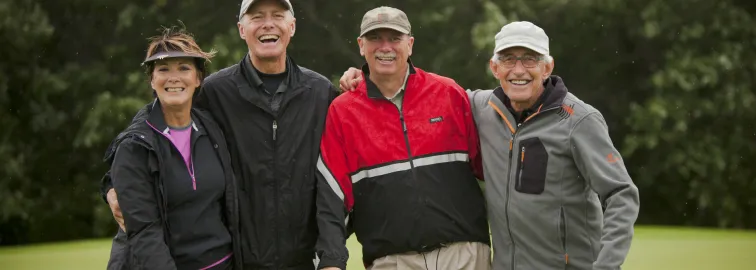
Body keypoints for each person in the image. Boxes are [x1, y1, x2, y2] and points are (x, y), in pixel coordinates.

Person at [339, 21, 640, 270]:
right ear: (495, 68)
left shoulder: (579, 120)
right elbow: (423, 91)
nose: (518, 70)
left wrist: (607, 265)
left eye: (530, 59)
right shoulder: (479, 106)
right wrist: (370, 76)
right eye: (509, 59)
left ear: (547, 68)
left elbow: (621, 195)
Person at [101, 0, 345, 269]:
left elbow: (341, 166)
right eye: (256, 17)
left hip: (302, 261)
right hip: (242, 261)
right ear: (242, 29)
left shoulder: (321, 93)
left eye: (277, 15)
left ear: (292, 26)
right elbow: (155, 122)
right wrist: (113, 183)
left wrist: (360, 78)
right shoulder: (215, 93)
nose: (268, 23)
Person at [316, 6, 491, 270]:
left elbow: (494, 169)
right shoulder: (343, 112)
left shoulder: (448, 93)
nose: (385, 46)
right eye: (375, 38)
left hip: (464, 255)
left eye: (395, 38)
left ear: (410, 45)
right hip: (392, 261)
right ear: (361, 45)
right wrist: (331, 262)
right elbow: (331, 197)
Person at [103, 26, 240, 270]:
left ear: (198, 79)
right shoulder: (134, 146)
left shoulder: (213, 127)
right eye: (163, 69)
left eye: (184, 68)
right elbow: (144, 233)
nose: (173, 77)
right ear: (152, 80)